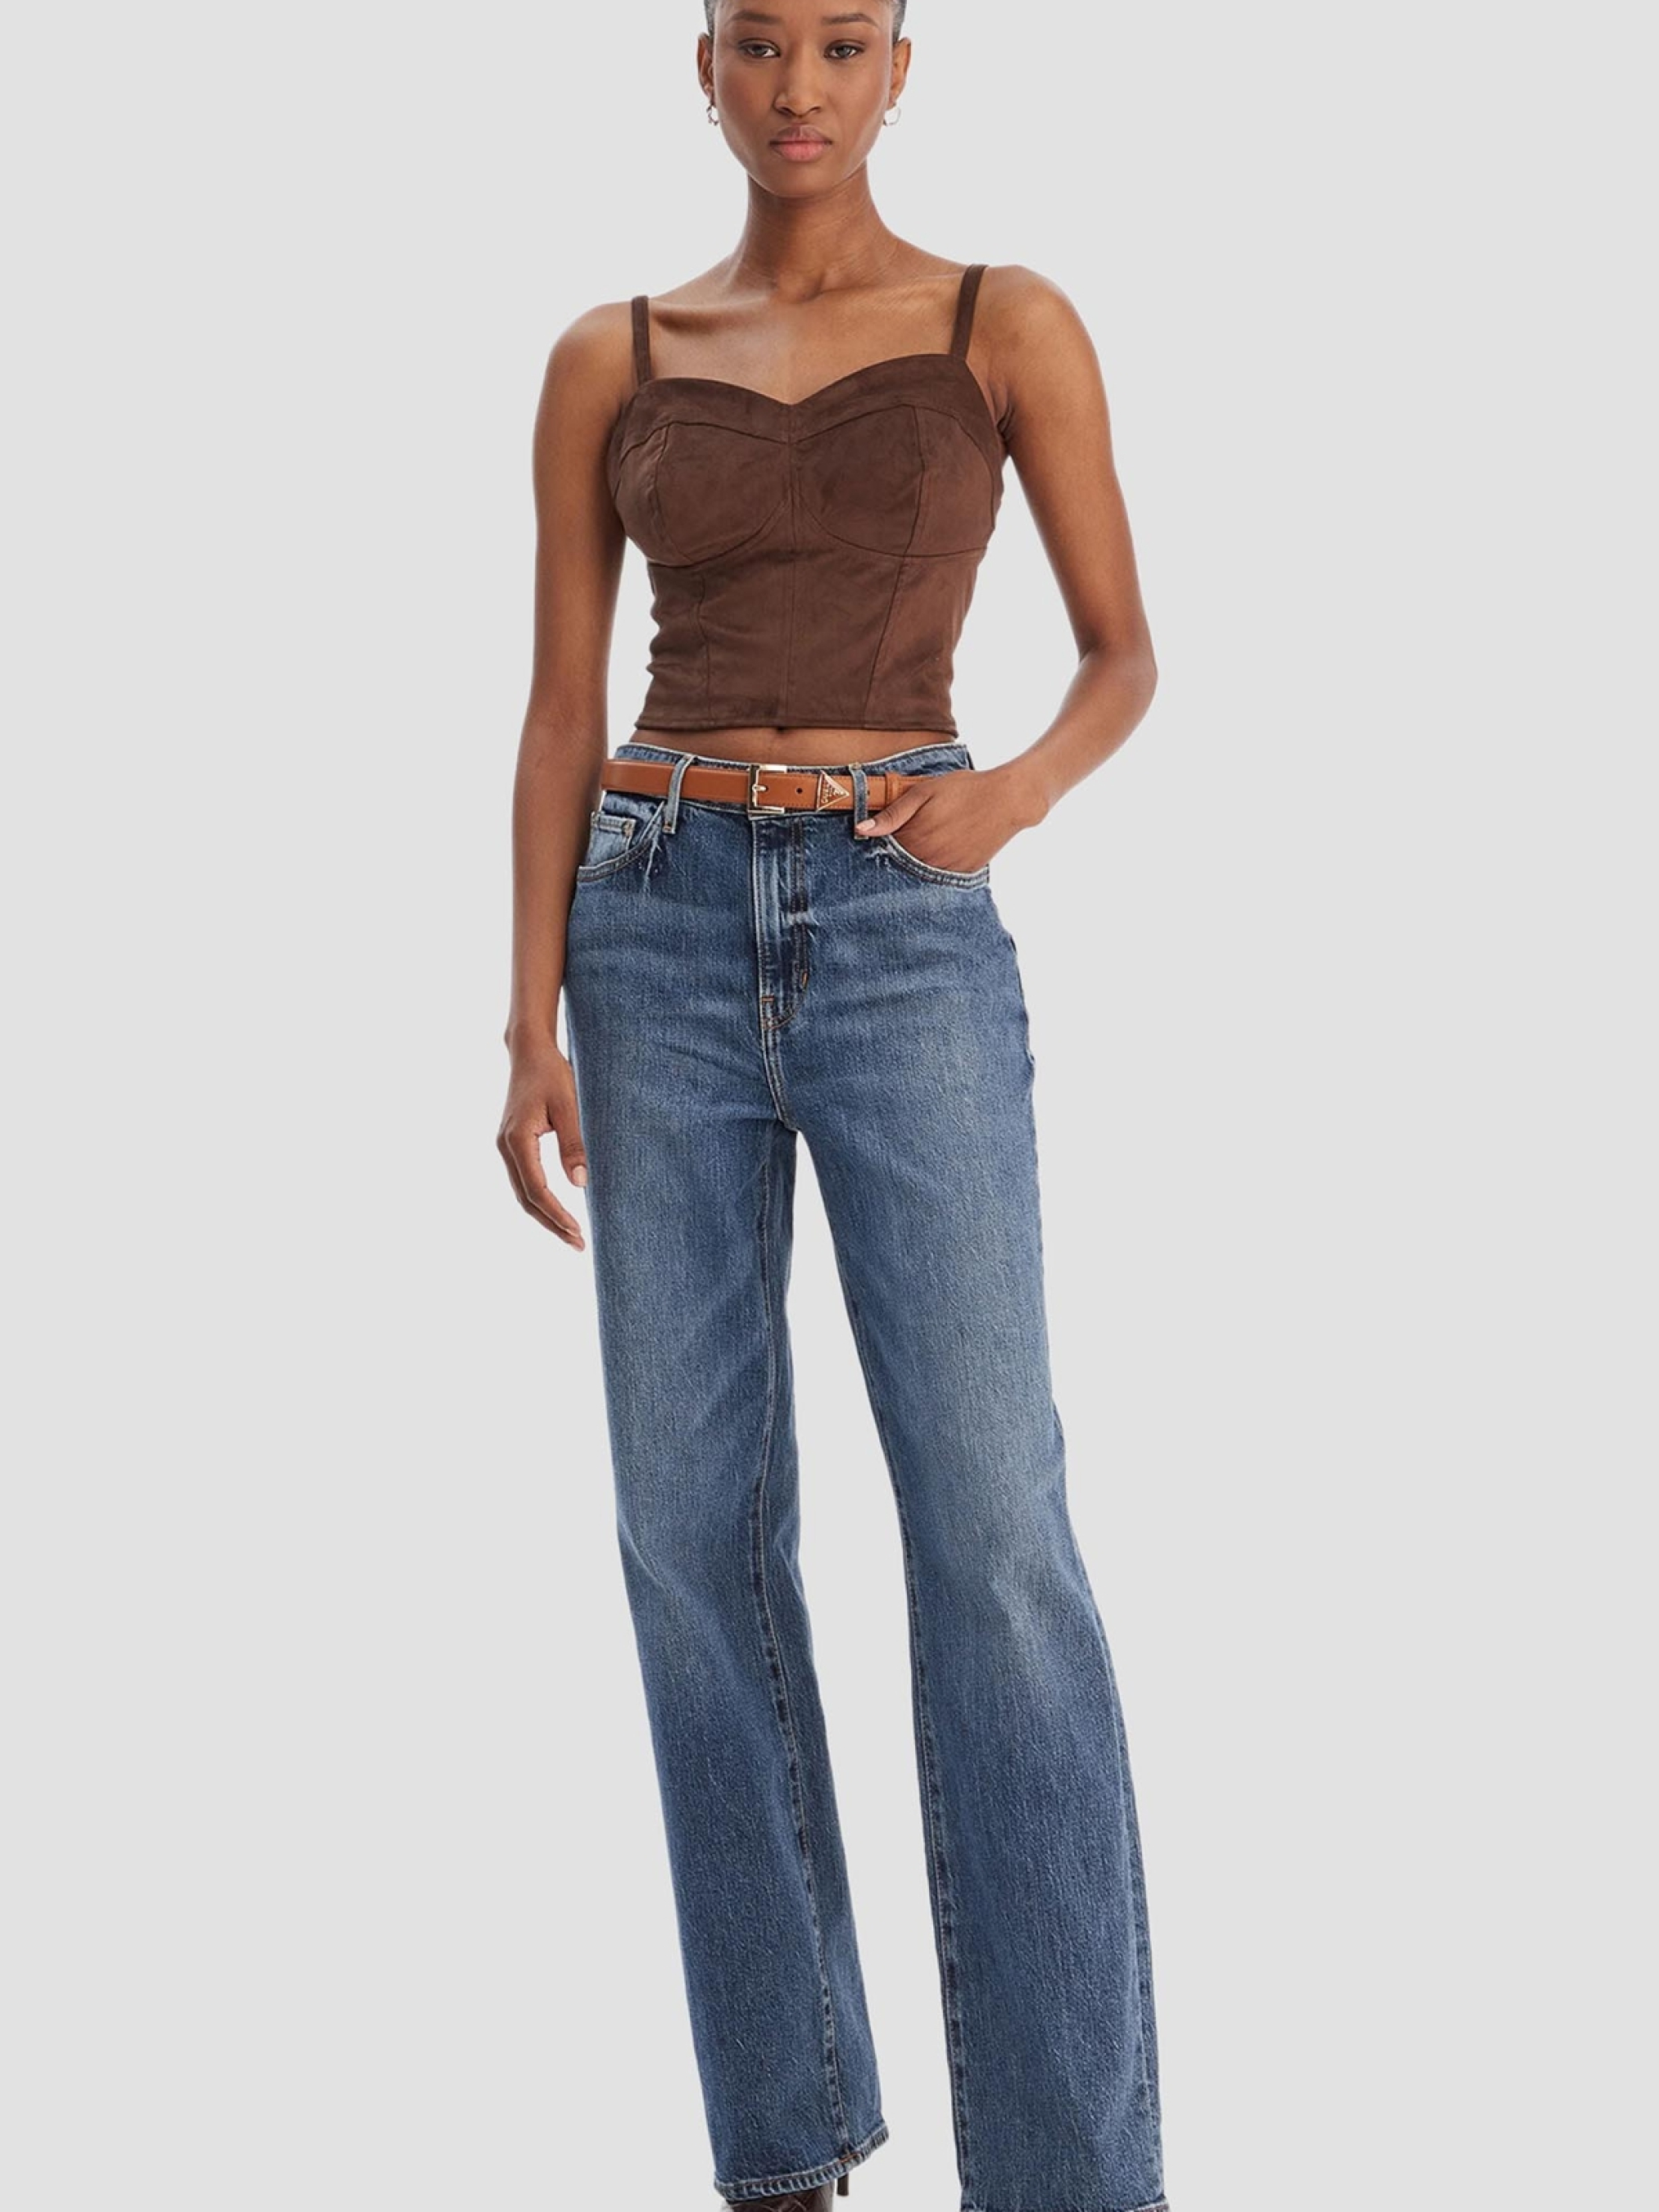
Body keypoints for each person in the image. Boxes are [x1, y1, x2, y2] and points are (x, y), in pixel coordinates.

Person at [497, 6, 1167, 2210]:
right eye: (761, 41)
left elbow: (1123, 651)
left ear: (900, 71)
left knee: (995, 1541)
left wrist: (1011, 796)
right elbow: (561, 705)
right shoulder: (610, 355)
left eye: (843, 43)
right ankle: (785, 2142)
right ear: (699, 66)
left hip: (902, 921)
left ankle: (1069, 2176)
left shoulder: (1002, 322)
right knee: (689, 1532)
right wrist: (527, 1021)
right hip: (651, 925)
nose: (801, 83)